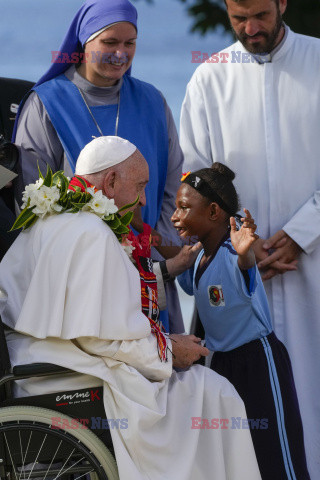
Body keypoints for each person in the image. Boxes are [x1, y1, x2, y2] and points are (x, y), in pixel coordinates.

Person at [0, 136, 262, 480]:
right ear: (110, 182)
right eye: (139, 187)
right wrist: (170, 352)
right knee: (216, 393)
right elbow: (104, 340)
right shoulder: (91, 232)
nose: (142, 200)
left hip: (36, 368)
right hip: (73, 376)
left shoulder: (47, 219)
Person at [180, 0, 320, 476]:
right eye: (239, 17)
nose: (251, 27)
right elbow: (193, 180)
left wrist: (303, 233)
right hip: (235, 273)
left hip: (313, 264)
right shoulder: (209, 79)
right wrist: (240, 241)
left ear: (283, 2)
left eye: (260, 14)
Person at [13, 0, 183, 333]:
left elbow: (172, 190)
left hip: (152, 274)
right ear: (84, 42)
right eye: (110, 42)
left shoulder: (153, 102)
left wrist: (156, 257)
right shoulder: (47, 104)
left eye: (129, 43)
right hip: (80, 282)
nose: (120, 53)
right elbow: (32, 200)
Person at [174, 163, 309, 479]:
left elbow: (244, 264)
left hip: (258, 363)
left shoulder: (234, 254)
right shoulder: (199, 258)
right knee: (239, 458)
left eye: (183, 208)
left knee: (277, 455)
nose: (174, 216)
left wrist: (247, 252)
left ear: (213, 212)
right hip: (224, 367)